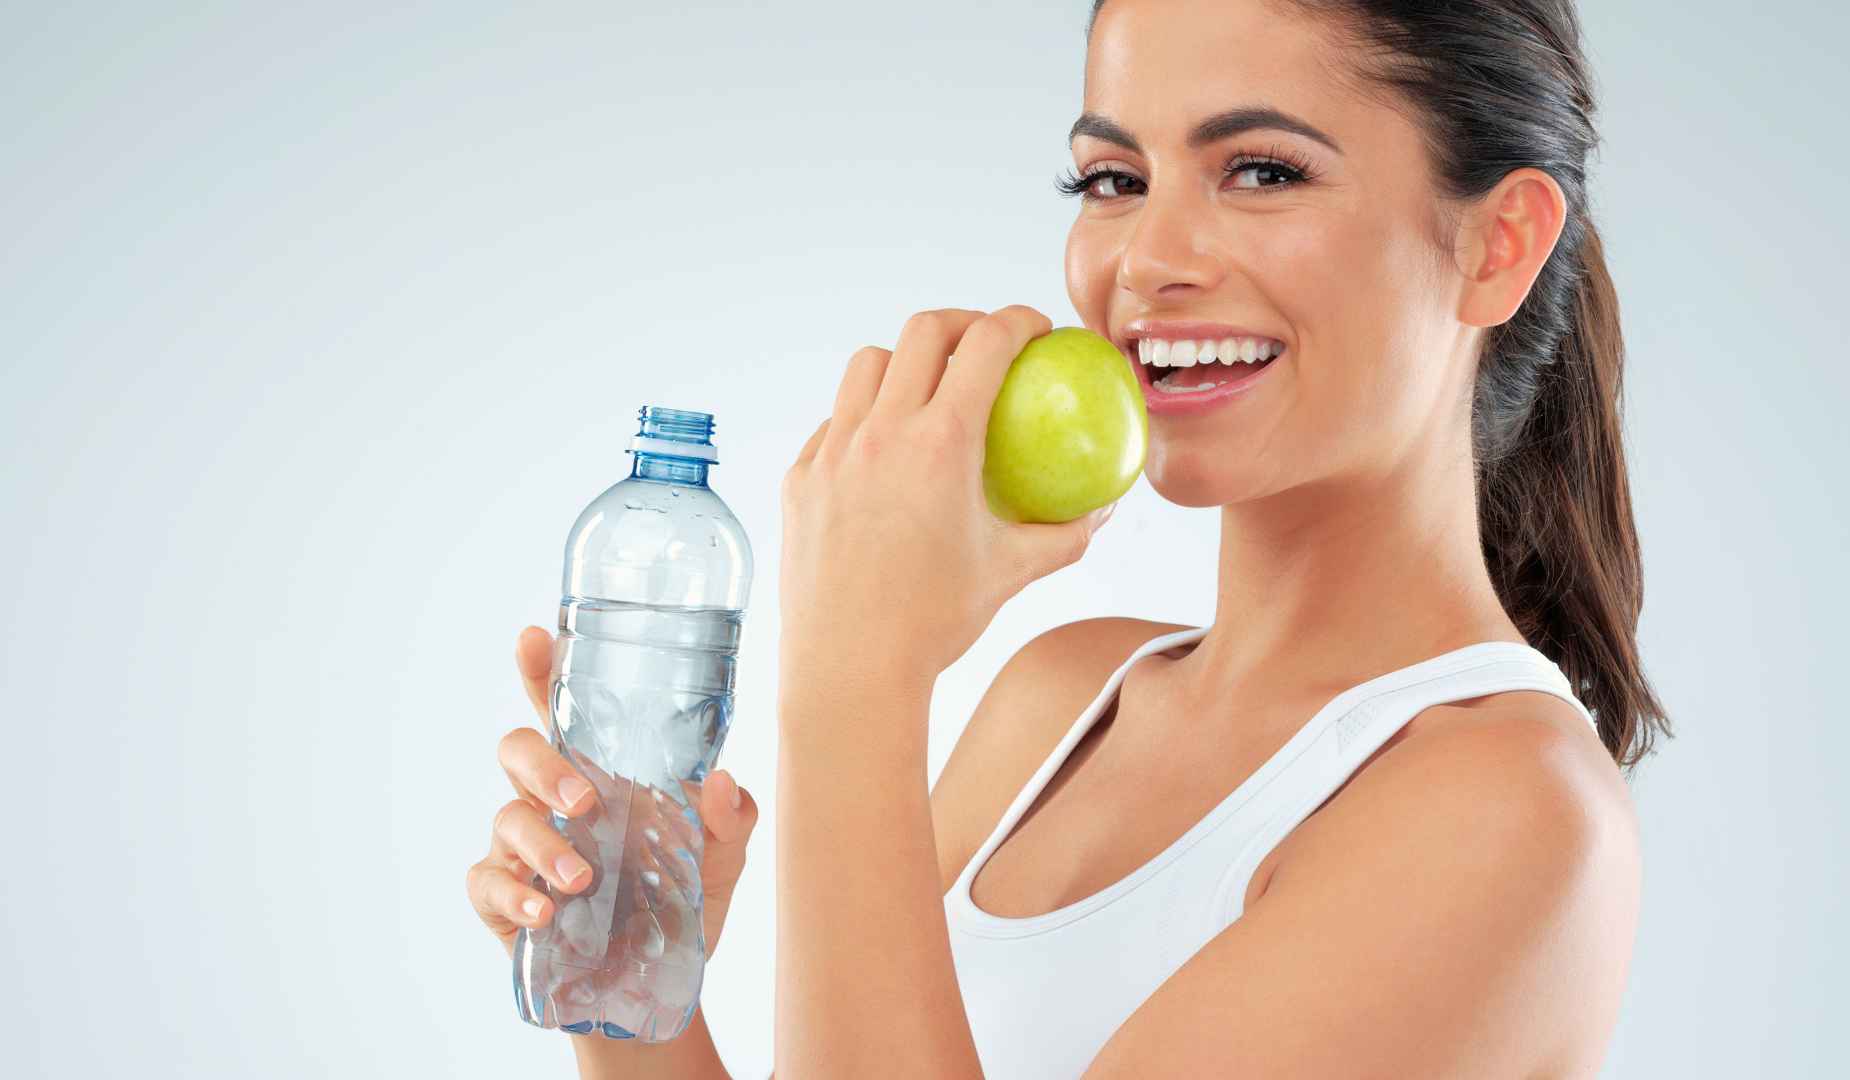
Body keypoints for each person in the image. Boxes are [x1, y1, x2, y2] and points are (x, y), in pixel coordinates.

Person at [468, 0, 1667, 1074]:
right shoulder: (1065, 696)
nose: (1147, 261)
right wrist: (626, 976)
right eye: (1113, 179)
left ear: (1498, 242)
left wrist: (852, 685)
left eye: (1261, 171)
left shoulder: (1510, 810)